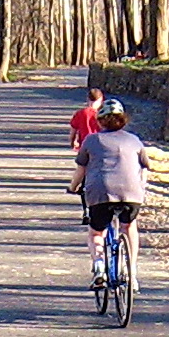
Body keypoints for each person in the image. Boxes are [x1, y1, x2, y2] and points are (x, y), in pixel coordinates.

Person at [67, 97, 149, 288]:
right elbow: (145, 167)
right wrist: (140, 187)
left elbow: (81, 169)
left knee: (96, 232)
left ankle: (99, 266)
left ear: (100, 121)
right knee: (129, 227)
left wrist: (72, 188)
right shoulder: (134, 140)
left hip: (101, 193)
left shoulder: (91, 140)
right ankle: (132, 273)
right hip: (132, 193)